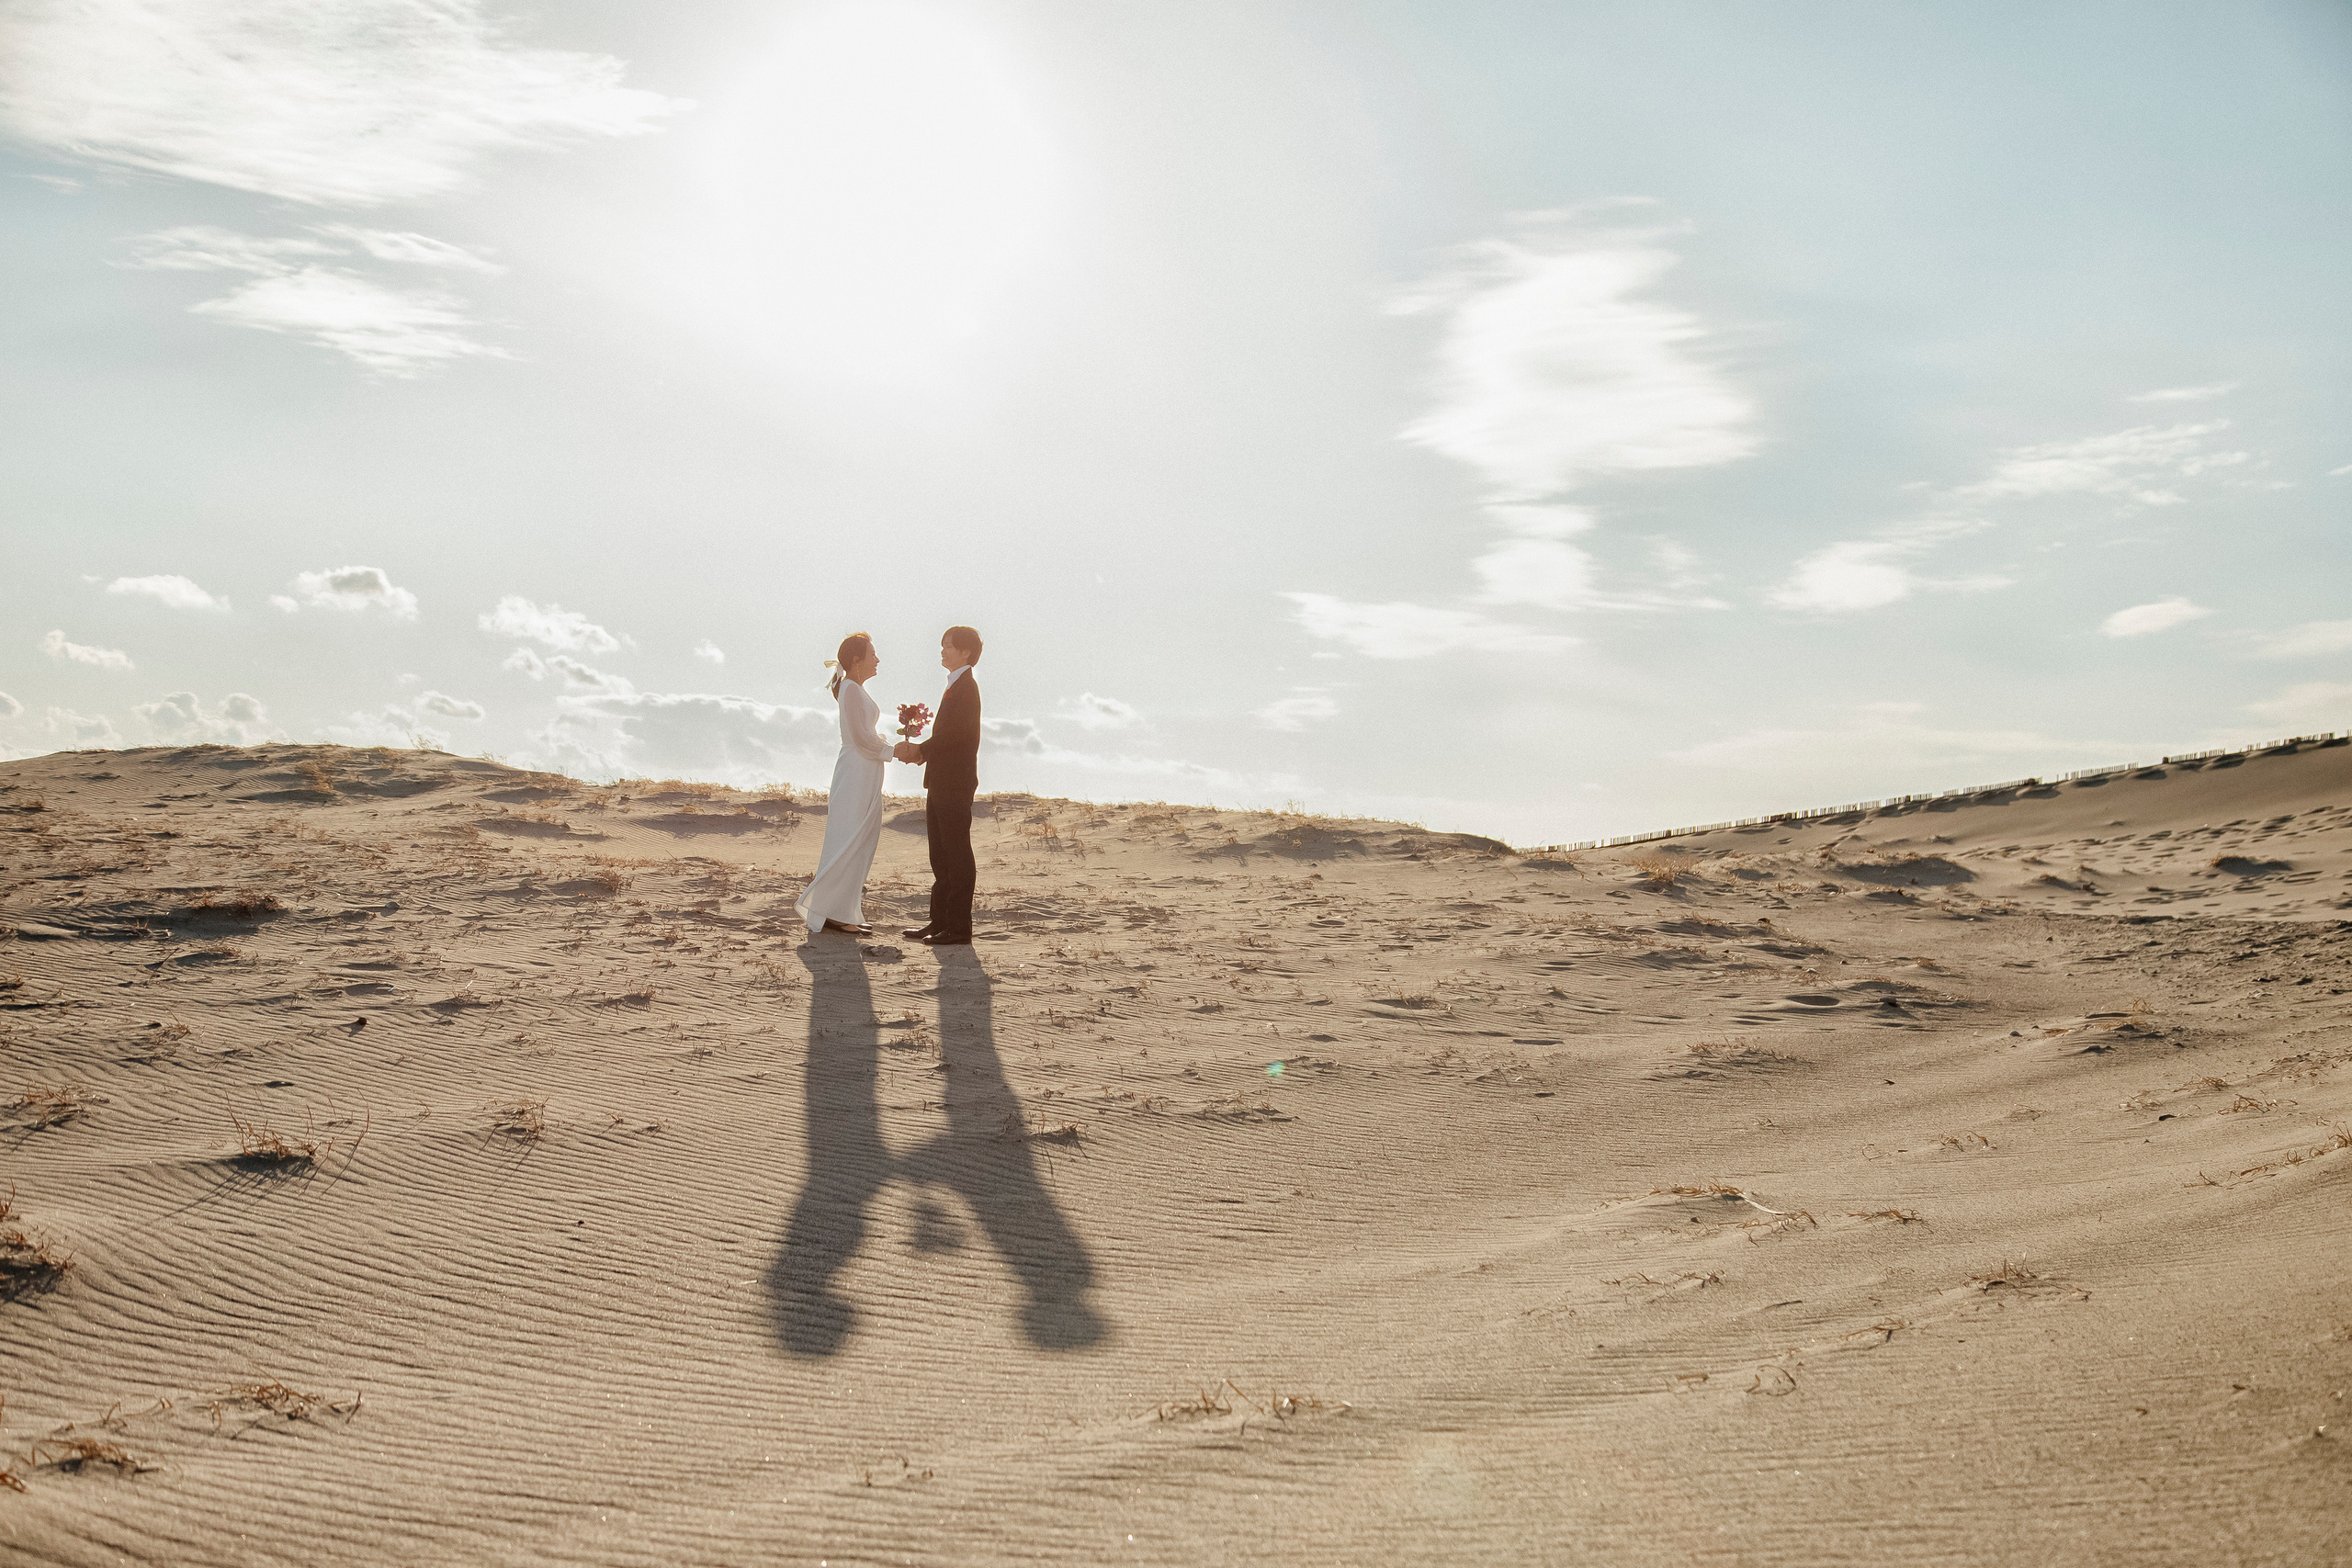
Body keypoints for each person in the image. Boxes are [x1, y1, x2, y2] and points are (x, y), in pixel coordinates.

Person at [794, 632, 891, 937]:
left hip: (864, 769)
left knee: (859, 838)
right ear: (855, 660)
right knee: (849, 837)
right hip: (855, 771)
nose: (877, 659)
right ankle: (832, 912)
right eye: (872, 654)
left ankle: (841, 910)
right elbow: (862, 738)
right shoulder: (849, 689)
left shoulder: (852, 688)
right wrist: (893, 750)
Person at [894, 626, 982, 944]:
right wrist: (922, 753)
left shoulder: (966, 688)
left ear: (966, 652)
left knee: (956, 853)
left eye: (947, 645)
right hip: (942, 780)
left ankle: (959, 928)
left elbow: (956, 736)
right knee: (940, 854)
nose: (942, 650)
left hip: (955, 782)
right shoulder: (955, 685)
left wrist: (921, 751)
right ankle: (940, 921)